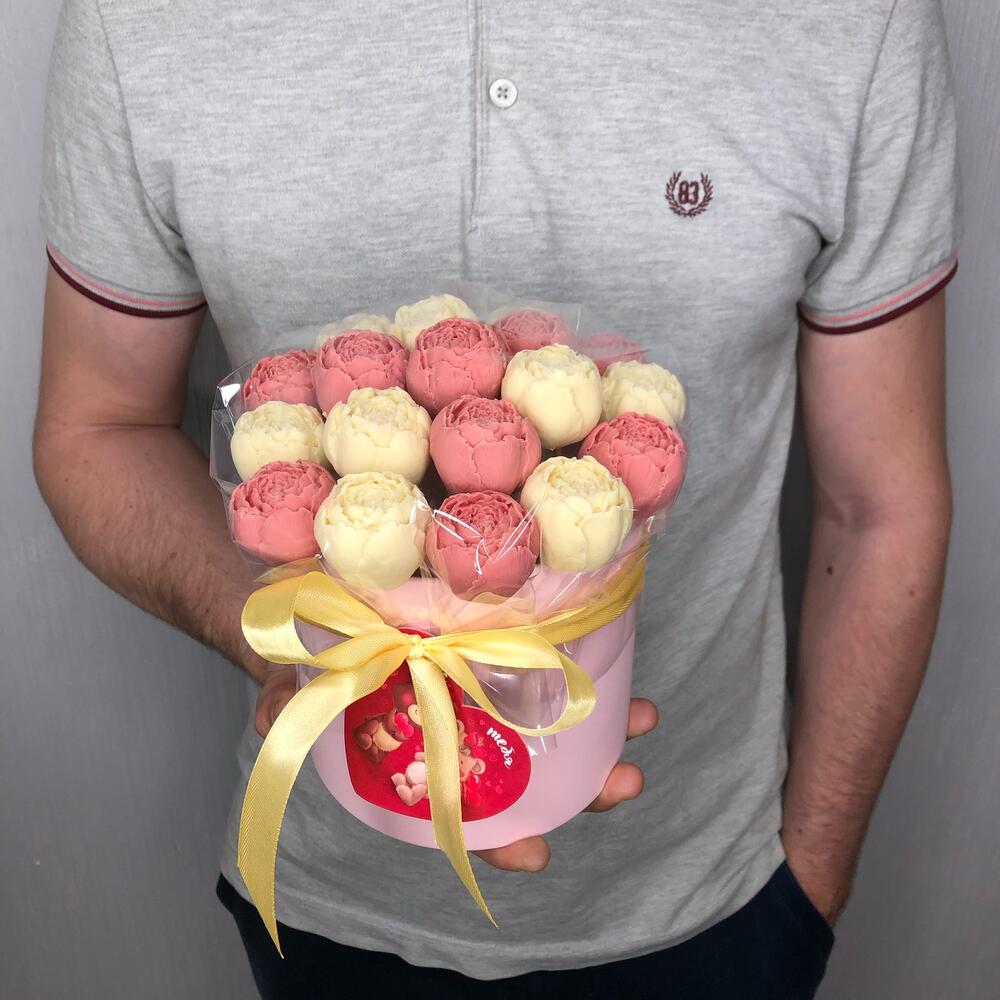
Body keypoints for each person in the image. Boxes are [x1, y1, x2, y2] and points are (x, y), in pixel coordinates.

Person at [32, 0, 960, 997]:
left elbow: (881, 503)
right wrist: (293, 641)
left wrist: (807, 889)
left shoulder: (852, 22)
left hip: (715, 900)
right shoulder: (141, 21)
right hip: (328, 893)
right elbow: (97, 426)